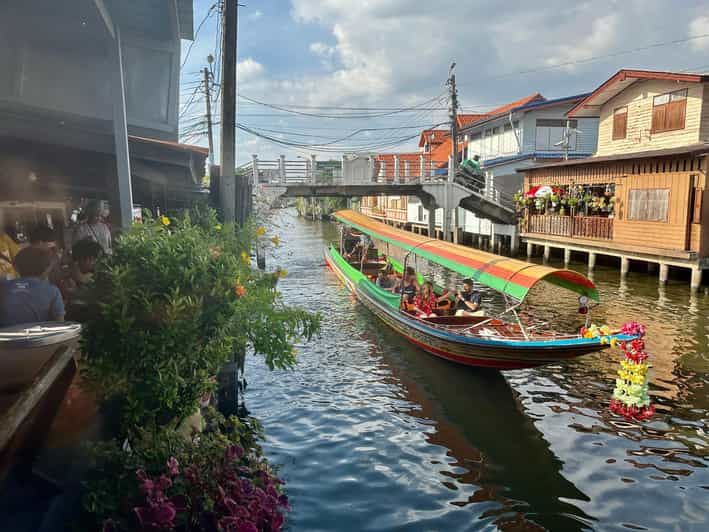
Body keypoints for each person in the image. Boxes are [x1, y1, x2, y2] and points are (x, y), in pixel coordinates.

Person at [0, 246, 65, 326]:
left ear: (16, 268)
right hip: (40, 337)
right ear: (47, 269)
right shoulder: (53, 291)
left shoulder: (3, 287)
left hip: (6, 337)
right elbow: (60, 324)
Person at [57, 238, 103, 305]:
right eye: (92, 259)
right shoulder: (68, 276)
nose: (95, 262)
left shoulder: (96, 274)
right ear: (80, 259)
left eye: (97, 259)